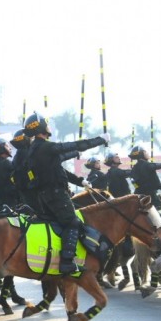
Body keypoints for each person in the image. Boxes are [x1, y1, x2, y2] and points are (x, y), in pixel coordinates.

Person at [24, 112, 107, 274]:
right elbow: (75, 145)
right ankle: (67, 261)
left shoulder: (35, 149)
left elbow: (58, 171)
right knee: (72, 223)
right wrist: (100, 140)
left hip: (45, 196)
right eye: (46, 123)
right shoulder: (46, 146)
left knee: (59, 224)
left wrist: (80, 181)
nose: (48, 125)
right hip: (56, 194)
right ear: (41, 127)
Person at [129, 145, 161, 209]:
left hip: (138, 197)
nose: (147, 153)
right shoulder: (147, 165)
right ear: (142, 154)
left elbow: (135, 184)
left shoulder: (133, 169)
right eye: (145, 152)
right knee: (160, 213)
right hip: (151, 198)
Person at [0, 137, 18, 209]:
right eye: (7, 145)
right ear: (2, 148)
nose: (10, 148)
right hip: (8, 198)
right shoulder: (6, 163)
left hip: (0, 198)